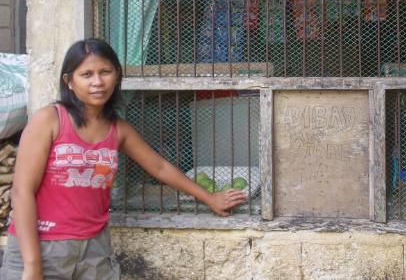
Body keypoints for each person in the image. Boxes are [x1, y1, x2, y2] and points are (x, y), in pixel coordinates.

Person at [0, 39, 247, 280]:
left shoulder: (117, 129)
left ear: (117, 75)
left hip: (94, 251)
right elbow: (22, 192)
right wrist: (32, 265)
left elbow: (160, 167)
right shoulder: (49, 120)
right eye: (86, 75)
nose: (97, 82)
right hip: (42, 247)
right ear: (69, 81)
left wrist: (210, 198)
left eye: (105, 72)